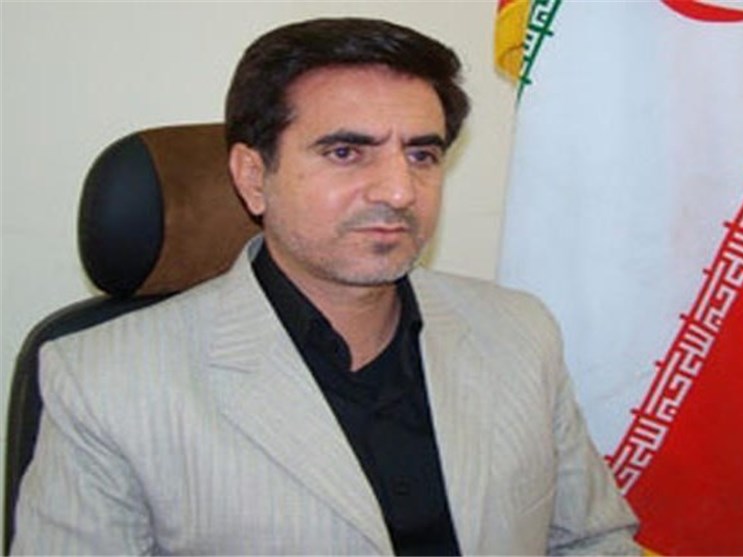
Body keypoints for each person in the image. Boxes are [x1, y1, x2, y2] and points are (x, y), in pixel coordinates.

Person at [11, 17, 639, 556]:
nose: (399, 190)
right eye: (346, 152)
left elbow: (593, 543)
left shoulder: (519, 332)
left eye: (422, 155)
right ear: (252, 177)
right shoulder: (105, 383)